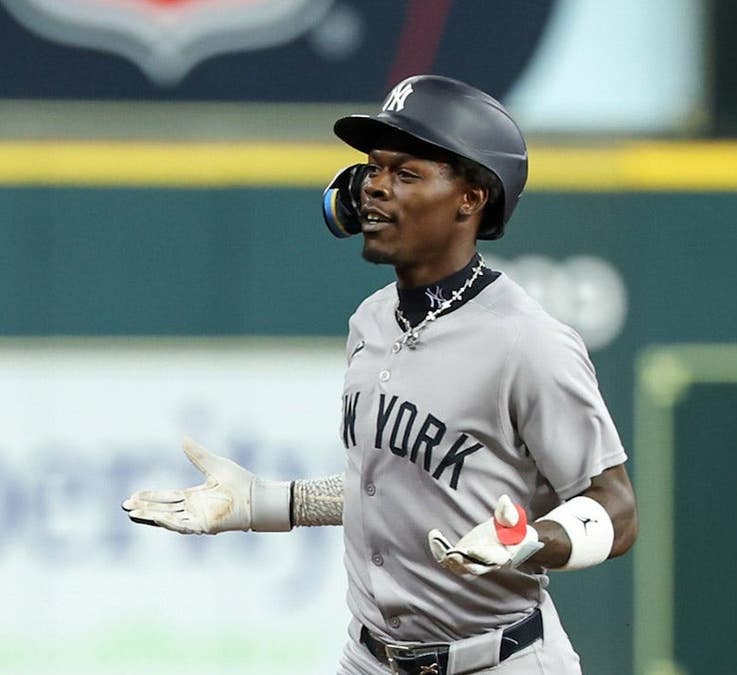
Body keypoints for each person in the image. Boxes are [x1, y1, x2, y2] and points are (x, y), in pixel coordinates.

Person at [122, 74, 638, 675]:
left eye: (406, 173)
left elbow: (617, 508)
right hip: (370, 658)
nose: (373, 187)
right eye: (372, 168)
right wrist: (266, 503)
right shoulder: (371, 320)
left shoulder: (529, 342)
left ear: (470, 198)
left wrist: (532, 540)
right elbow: (394, 487)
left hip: (499, 658)